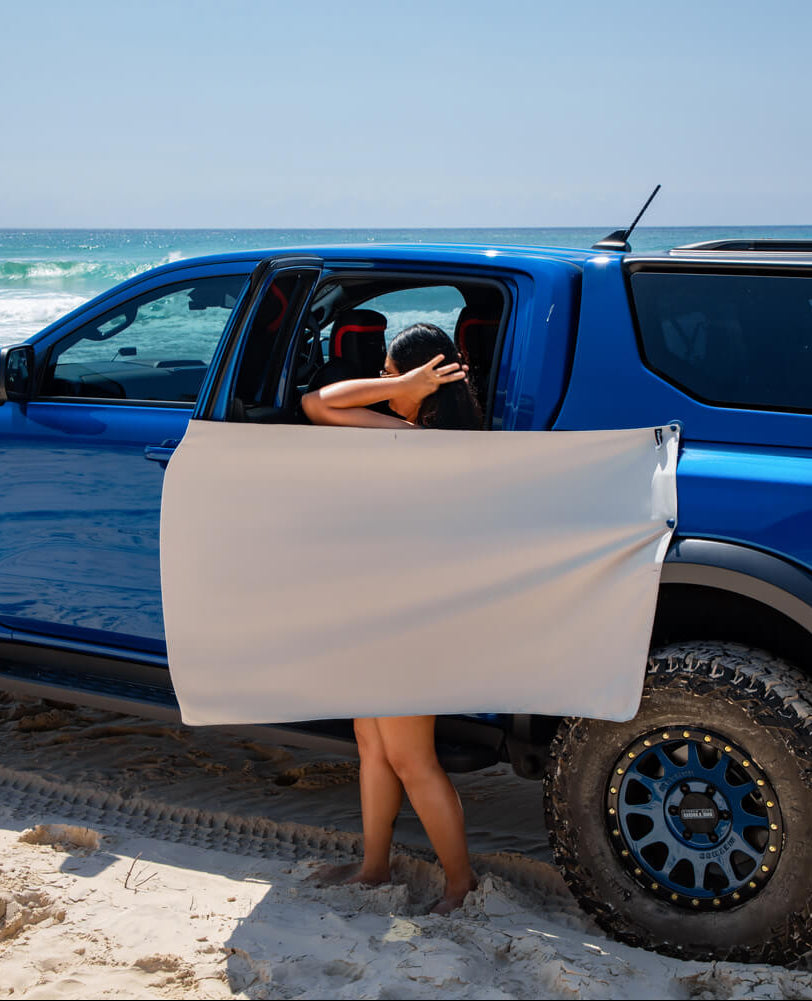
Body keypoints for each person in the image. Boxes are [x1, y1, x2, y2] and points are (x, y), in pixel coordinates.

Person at [301, 323, 482, 914]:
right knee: (372, 743)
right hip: (376, 604)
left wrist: (400, 385)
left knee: (410, 756)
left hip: (411, 614)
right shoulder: (407, 430)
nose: (382, 381)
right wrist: (404, 384)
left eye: (389, 371)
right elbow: (315, 404)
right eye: (383, 372)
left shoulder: (425, 439)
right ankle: (374, 865)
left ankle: (460, 884)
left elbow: (319, 404)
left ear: (426, 381)